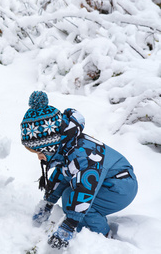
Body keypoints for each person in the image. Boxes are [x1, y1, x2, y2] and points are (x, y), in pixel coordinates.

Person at [20, 91, 137, 249]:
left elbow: (84, 190)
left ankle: (101, 238)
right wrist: (48, 202)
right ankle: (85, 226)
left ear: (51, 145)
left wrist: (68, 226)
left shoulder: (81, 156)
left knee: (73, 198)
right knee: (70, 193)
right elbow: (62, 175)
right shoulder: (67, 146)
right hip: (109, 180)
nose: (39, 157)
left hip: (120, 186)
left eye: (40, 152)